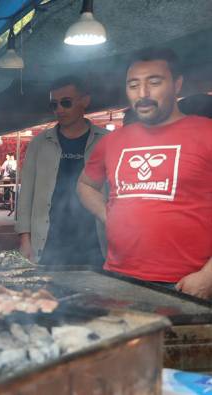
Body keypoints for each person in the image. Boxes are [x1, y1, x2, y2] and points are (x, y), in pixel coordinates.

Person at [78, 48, 212, 299]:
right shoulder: (112, 141)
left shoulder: (207, 132)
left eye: (154, 82)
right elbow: (86, 184)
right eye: (133, 85)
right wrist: (109, 215)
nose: (143, 94)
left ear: (177, 84)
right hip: (119, 278)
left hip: (186, 284)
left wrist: (208, 276)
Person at [16, 75, 108, 266]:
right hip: (49, 241)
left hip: (95, 242)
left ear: (85, 101)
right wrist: (25, 239)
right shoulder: (39, 144)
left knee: (96, 295)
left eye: (66, 103)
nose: (59, 110)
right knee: (48, 294)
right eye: (54, 105)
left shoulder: (107, 141)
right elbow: (26, 195)